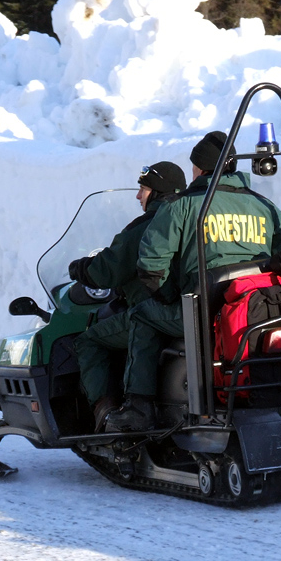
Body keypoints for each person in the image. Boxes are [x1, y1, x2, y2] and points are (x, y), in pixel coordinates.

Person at [105, 131, 281, 432]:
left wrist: (169, 297)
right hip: (253, 311)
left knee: (142, 316)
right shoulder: (267, 208)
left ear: (198, 168)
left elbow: (151, 265)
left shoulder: (183, 206)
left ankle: (138, 407)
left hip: (204, 310)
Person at [68, 161, 187, 432]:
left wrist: (80, 268)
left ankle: (106, 414)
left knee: (89, 341)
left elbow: (107, 270)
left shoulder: (147, 226)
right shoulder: (192, 216)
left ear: (157, 193)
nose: (138, 196)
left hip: (160, 311)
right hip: (191, 307)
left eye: (143, 189)